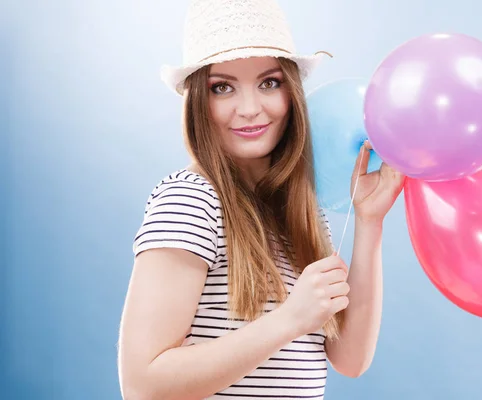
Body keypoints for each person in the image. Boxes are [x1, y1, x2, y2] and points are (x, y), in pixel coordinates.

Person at [117, 0, 405, 399]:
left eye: (269, 82)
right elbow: (142, 386)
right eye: (223, 87)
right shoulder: (191, 200)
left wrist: (369, 223)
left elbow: (351, 359)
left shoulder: (296, 209)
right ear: (199, 101)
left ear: (292, 92)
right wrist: (289, 319)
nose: (251, 109)